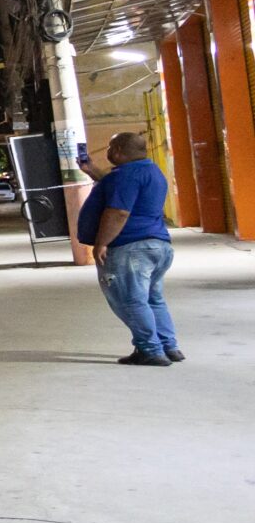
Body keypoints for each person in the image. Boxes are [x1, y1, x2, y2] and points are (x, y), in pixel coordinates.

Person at [76, 131, 180, 366]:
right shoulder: (150, 171)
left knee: (130, 300)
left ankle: (150, 350)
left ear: (119, 151)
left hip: (131, 248)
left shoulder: (126, 176)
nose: (107, 152)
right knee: (153, 299)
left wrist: (101, 243)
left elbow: (118, 212)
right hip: (158, 246)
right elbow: (119, 187)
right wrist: (92, 171)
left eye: (110, 148)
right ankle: (168, 346)